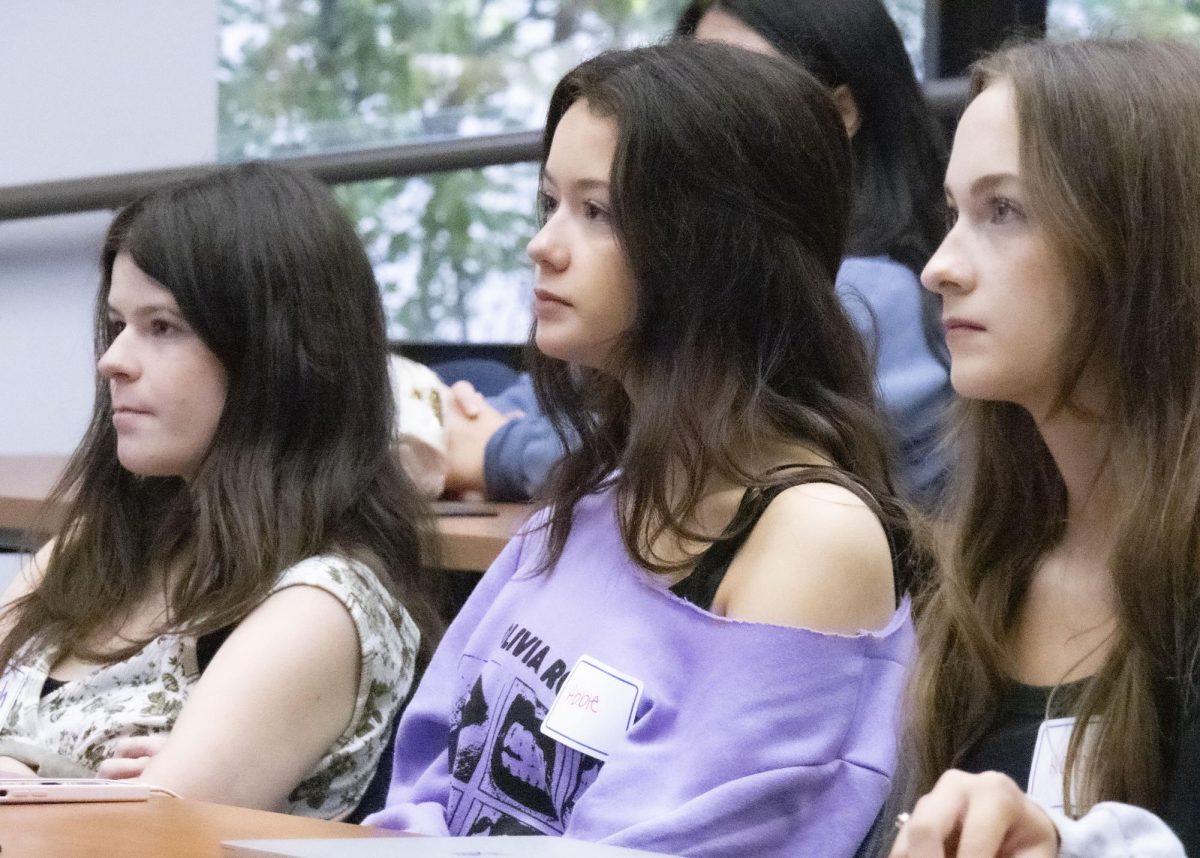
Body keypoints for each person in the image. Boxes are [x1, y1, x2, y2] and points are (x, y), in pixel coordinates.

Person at [366, 40, 925, 856]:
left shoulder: (811, 538)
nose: (544, 246)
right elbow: (426, 777)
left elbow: (705, 845)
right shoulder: (591, 498)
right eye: (549, 202)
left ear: (713, 250)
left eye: (597, 212)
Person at [0, 162, 443, 820]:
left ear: (275, 356)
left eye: (162, 327)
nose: (113, 359)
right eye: (117, 323)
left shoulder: (323, 605)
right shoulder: (96, 546)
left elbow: (136, 834)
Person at [446, 0, 953, 508]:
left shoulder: (867, 290)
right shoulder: (647, 290)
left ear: (837, 112)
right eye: (549, 203)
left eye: (598, 210)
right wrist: (457, 429)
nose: (698, 95)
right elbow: (561, 398)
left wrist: (495, 451)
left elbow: (681, 459)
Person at [887, 38, 1200, 858]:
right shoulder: (982, 561)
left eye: (1004, 211)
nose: (939, 268)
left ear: (1141, 239)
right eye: (953, 212)